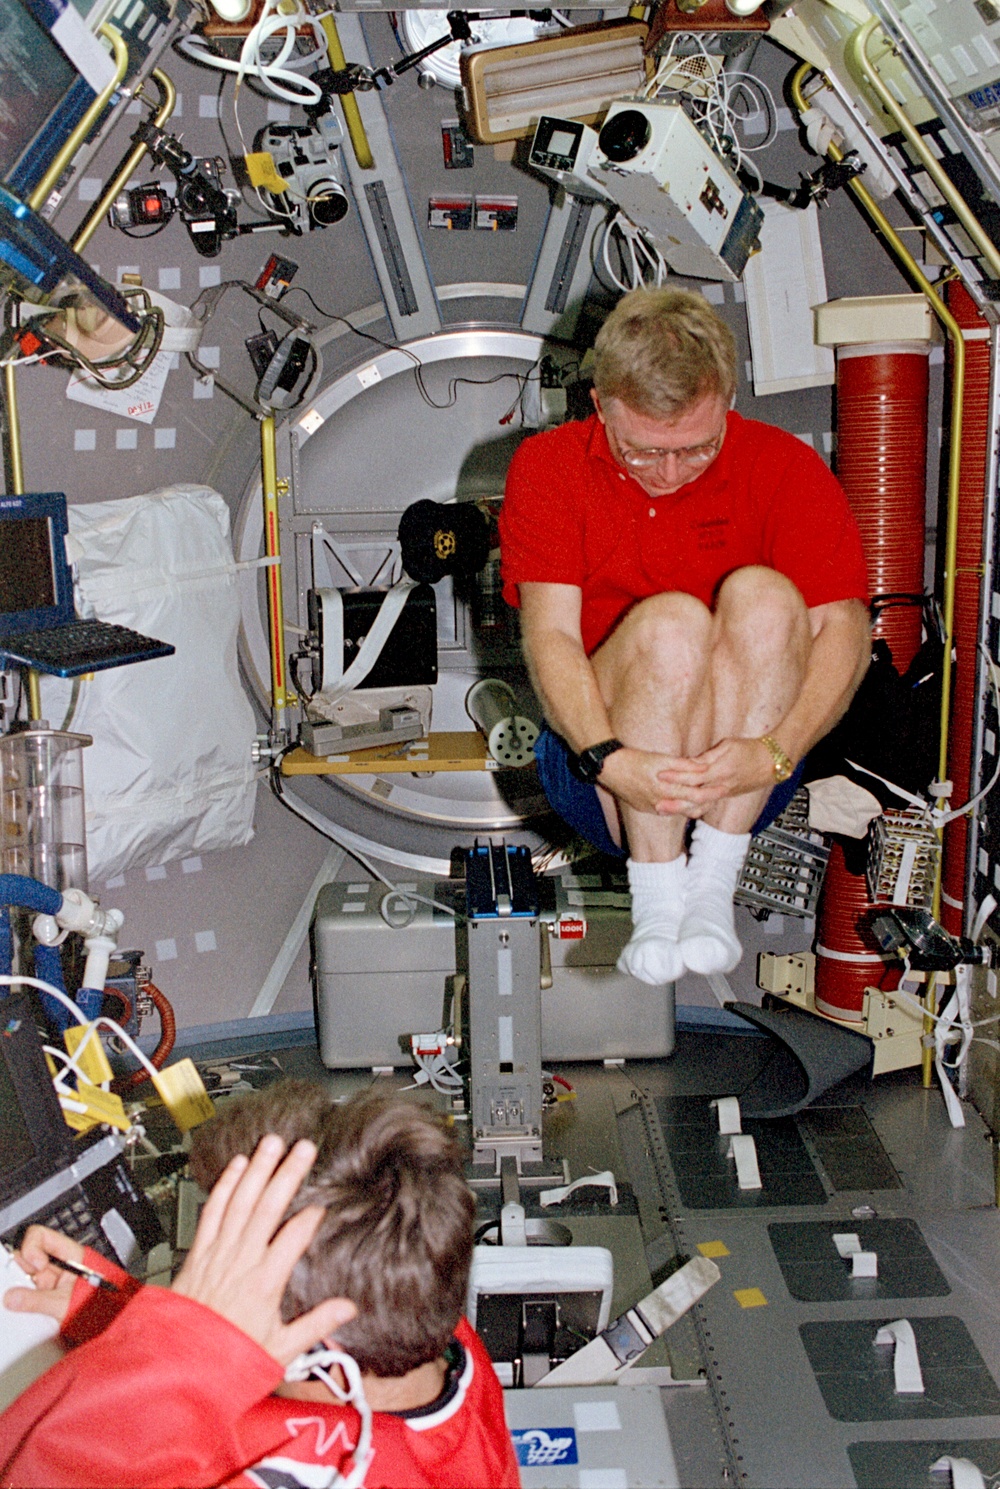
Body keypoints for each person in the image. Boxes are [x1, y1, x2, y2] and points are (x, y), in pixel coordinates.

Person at [499, 286, 870, 986]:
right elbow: (551, 638)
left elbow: (844, 629)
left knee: (765, 597)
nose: (668, 474)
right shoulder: (549, 468)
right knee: (673, 625)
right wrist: (609, 761)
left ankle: (712, 886)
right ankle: (658, 894)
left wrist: (776, 752)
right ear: (600, 404)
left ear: (729, 400)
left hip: (748, 770)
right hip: (597, 764)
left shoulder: (783, 466)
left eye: (696, 449)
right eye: (643, 452)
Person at [0, 1085, 521, 1489]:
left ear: (313, 1348)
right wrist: (120, 1316)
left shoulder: (317, 1475)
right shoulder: (433, 1335)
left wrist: (178, 1348)